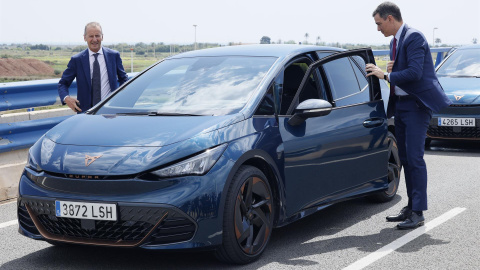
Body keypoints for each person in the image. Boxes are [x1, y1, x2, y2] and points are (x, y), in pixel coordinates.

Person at [366, 2, 451, 230]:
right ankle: (411, 207)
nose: (378, 29)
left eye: (379, 23)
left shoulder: (414, 37)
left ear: (391, 18)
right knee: (404, 159)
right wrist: (392, 72)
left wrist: (385, 74)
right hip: (401, 106)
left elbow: (414, 73)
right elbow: (404, 72)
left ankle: (418, 212)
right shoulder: (395, 41)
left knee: (414, 159)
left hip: (416, 106)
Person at [58, 22, 128, 113]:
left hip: (111, 112)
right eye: (91, 36)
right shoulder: (77, 60)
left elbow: (124, 79)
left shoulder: (114, 56)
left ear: (102, 37)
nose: (94, 39)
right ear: (85, 38)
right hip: (86, 114)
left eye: (97, 35)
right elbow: (62, 84)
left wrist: (120, 98)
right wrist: (66, 98)